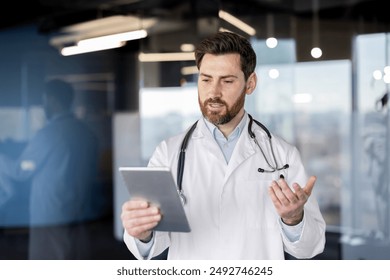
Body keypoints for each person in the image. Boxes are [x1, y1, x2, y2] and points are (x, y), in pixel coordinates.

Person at [120, 31, 326, 260]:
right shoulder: (168, 153)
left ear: (250, 83)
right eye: (206, 79)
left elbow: (310, 247)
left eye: (227, 81)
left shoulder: (281, 155)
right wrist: (142, 231)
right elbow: (150, 246)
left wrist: (294, 219)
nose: (213, 92)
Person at [0, 78, 99, 259]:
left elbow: (21, 170)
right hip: (79, 212)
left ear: (51, 99)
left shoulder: (50, 133)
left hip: (51, 216)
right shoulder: (86, 133)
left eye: (44, 99)